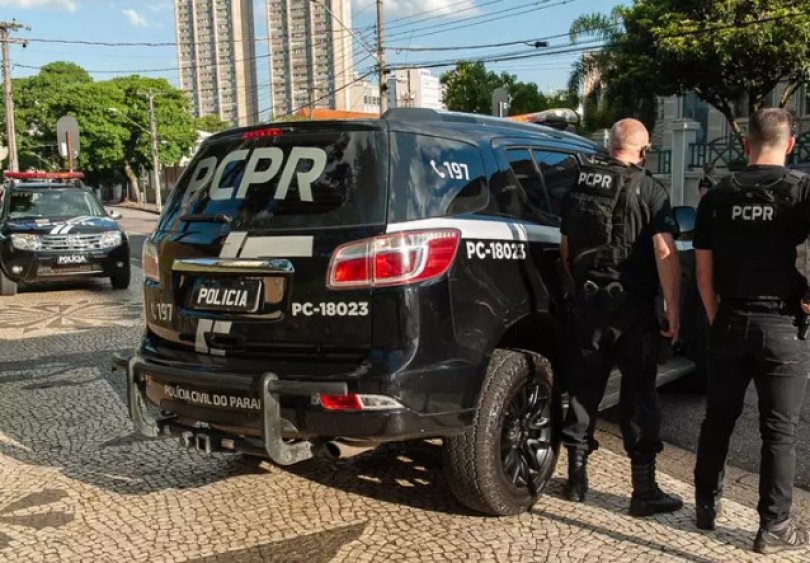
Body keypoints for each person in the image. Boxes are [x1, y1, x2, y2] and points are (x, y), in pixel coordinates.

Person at [692, 107, 810, 555]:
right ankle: (774, 527)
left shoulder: (718, 196)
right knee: (778, 431)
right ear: (790, 144)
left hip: (728, 319)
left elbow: (703, 273)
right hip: (782, 324)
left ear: (746, 145)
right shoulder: (800, 191)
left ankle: (706, 506)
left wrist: (713, 315)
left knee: (717, 417)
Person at [559, 118, 683, 516]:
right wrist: (672, 308)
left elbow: (565, 250)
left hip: (588, 305)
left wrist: (579, 288)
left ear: (609, 145)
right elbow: (665, 253)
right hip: (632, 311)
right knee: (639, 396)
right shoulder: (649, 188)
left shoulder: (579, 184)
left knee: (583, 391)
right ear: (643, 150)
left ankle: (576, 481)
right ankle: (643, 492)